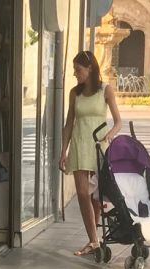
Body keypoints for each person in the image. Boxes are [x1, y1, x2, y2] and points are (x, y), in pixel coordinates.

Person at [59, 50, 122, 257]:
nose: (75, 74)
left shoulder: (105, 90)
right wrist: (63, 151)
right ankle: (94, 240)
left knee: (96, 196)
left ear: (90, 69)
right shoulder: (74, 93)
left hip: (98, 146)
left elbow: (118, 121)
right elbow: (69, 124)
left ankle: (94, 240)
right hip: (79, 145)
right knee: (83, 194)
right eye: (74, 70)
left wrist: (109, 136)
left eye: (78, 70)